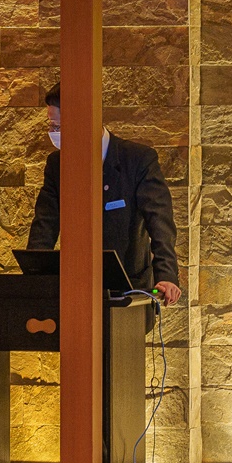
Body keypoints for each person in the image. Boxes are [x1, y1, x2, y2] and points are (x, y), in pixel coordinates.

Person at [27, 83, 182, 308]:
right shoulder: (57, 164)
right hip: (75, 292)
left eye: (59, 127)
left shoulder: (138, 159)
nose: (54, 133)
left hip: (129, 291)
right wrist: (33, 277)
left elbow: (160, 222)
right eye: (51, 126)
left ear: (85, 120)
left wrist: (166, 275)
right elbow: (45, 223)